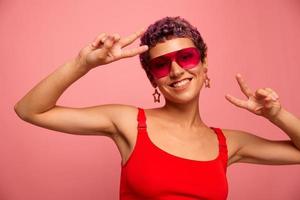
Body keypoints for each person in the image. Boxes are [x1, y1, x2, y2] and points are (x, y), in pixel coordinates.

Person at [14, 16, 300, 200]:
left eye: (186, 57)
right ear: (153, 77)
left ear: (204, 64)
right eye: (161, 64)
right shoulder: (128, 122)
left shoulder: (228, 143)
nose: (175, 70)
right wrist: (83, 64)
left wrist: (277, 115)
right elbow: (30, 110)